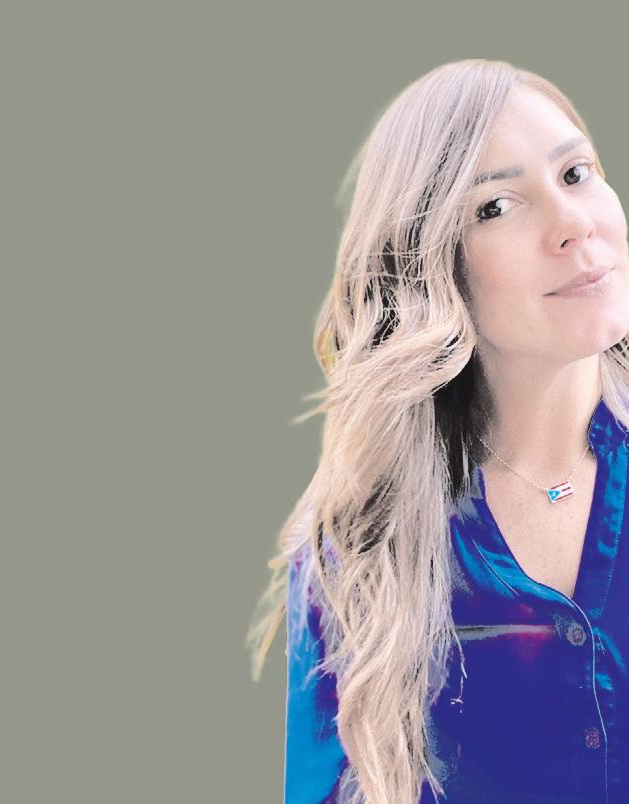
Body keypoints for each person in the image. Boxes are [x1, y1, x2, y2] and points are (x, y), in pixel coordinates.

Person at [245, 57, 629, 803]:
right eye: (497, 206)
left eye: (576, 174)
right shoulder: (361, 546)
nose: (573, 223)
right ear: (431, 270)